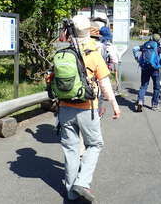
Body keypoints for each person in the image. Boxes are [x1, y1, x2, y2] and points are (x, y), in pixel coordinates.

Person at [57, 15, 121, 202]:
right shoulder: (93, 53)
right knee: (94, 144)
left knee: (70, 150)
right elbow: (105, 84)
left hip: (64, 108)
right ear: (89, 31)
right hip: (88, 108)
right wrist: (115, 106)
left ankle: (71, 193)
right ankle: (82, 182)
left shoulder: (63, 53)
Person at [133, 33, 161, 112]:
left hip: (145, 67)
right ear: (158, 40)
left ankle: (140, 100)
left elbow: (134, 49)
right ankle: (154, 104)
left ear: (151, 38)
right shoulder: (158, 47)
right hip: (155, 69)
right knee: (156, 87)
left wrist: (136, 58)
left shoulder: (145, 45)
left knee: (144, 85)